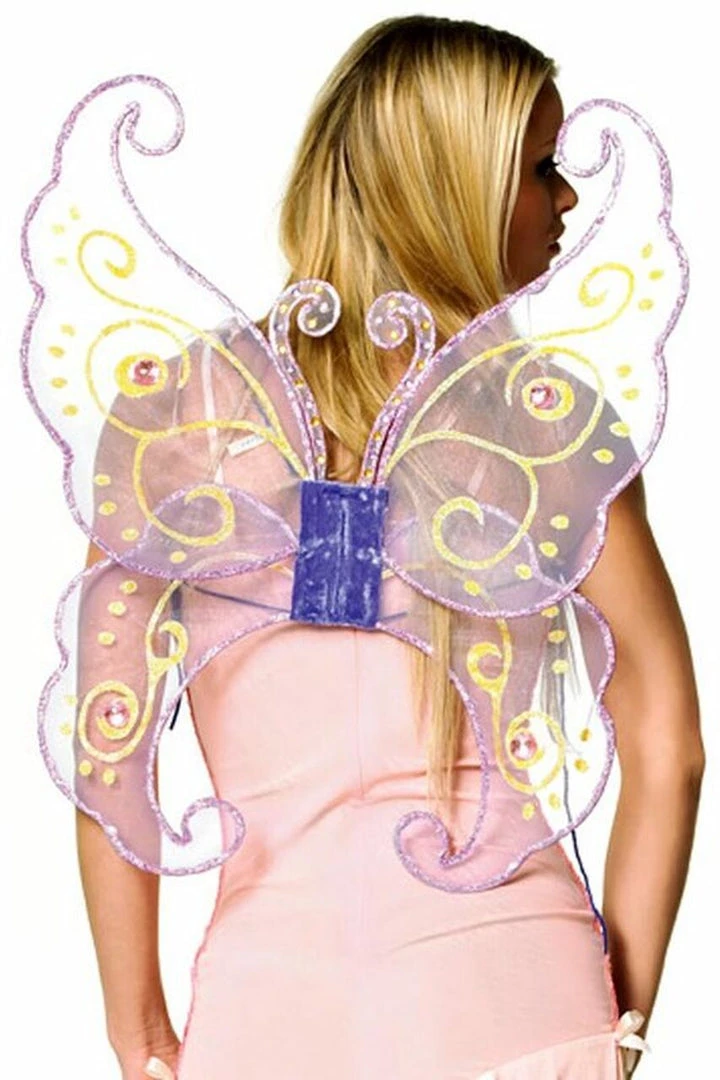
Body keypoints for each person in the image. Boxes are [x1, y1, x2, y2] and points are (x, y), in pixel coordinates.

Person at [66, 15, 704, 1080]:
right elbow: (669, 747)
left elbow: (109, 757)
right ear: (453, 185)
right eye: (541, 167)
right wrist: (618, 1019)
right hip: (519, 995)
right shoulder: (546, 429)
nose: (567, 201)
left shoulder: (174, 420)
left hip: (270, 1009)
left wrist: (138, 1036)